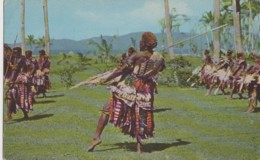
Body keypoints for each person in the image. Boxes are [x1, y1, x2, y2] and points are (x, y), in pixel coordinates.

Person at [87, 32, 165, 153]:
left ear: (144, 43)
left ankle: (96, 137)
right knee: (139, 116)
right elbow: (161, 68)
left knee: (107, 108)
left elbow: (121, 69)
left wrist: (105, 79)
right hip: (146, 92)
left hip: (131, 88)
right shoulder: (159, 57)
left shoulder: (137, 55)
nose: (139, 42)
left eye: (141, 41)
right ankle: (139, 147)